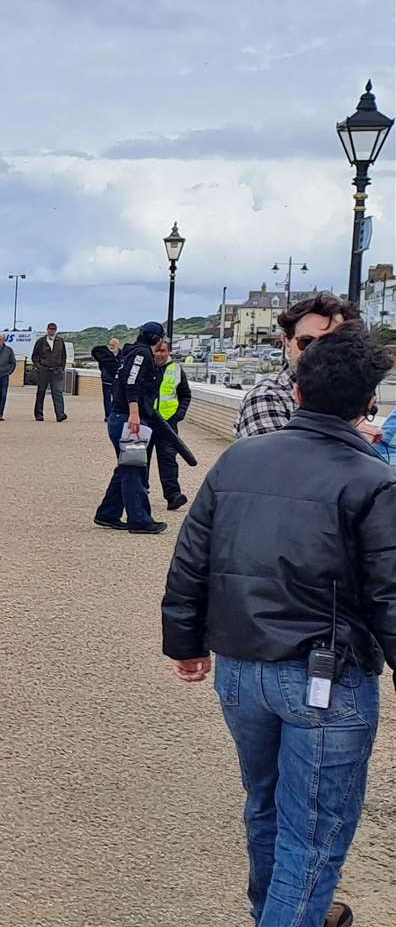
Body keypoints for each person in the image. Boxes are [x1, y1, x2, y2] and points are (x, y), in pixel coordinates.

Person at [161, 328, 395, 927]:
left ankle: (278, 911)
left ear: (295, 388)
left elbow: (192, 556)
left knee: (266, 807)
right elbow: (389, 595)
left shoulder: (242, 457)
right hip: (326, 675)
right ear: (370, 403)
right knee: (313, 834)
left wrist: (186, 642)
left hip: (241, 668)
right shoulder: (372, 479)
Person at [237, 295, 383, 446]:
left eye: (332, 344)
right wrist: (357, 441)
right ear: (286, 342)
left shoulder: (350, 394)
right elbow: (281, 462)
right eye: (307, 342)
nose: (319, 352)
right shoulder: (267, 397)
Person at [95, 322, 180, 535]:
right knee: (134, 469)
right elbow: (131, 382)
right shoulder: (141, 355)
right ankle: (140, 519)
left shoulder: (130, 352)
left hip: (120, 417)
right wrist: (134, 414)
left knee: (126, 465)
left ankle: (108, 513)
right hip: (128, 418)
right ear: (157, 339)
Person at [149, 338, 191, 511]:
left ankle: (173, 495)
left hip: (167, 423)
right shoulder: (145, 367)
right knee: (140, 459)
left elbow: (185, 395)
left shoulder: (176, 370)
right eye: (157, 351)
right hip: (146, 421)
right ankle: (140, 494)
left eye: (163, 351)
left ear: (169, 352)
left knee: (168, 460)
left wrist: (178, 415)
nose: (159, 354)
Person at [31, 322, 68, 422]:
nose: (52, 331)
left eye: (53, 329)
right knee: (41, 392)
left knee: (57, 393)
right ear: (47, 330)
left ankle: (60, 414)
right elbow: (34, 356)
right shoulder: (40, 341)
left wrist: (62, 368)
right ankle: (39, 414)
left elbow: (64, 356)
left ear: (56, 330)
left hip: (56, 371)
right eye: (50, 329)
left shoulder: (60, 341)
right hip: (44, 370)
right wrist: (39, 367)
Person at [91, 338, 122, 421]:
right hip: (106, 378)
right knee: (107, 398)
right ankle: (108, 415)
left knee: (117, 398)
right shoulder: (103, 354)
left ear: (118, 345)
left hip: (117, 380)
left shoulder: (122, 354)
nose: (112, 346)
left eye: (114, 344)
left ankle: (115, 415)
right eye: (110, 344)